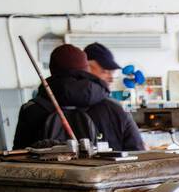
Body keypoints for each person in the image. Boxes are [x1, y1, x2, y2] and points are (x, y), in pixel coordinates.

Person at [12, 44, 144, 151]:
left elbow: (18, 158)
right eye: (105, 71)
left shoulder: (30, 110)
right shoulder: (115, 109)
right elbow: (139, 158)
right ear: (86, 69)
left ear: (52, 70)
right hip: (108, 182)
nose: (110, 75)